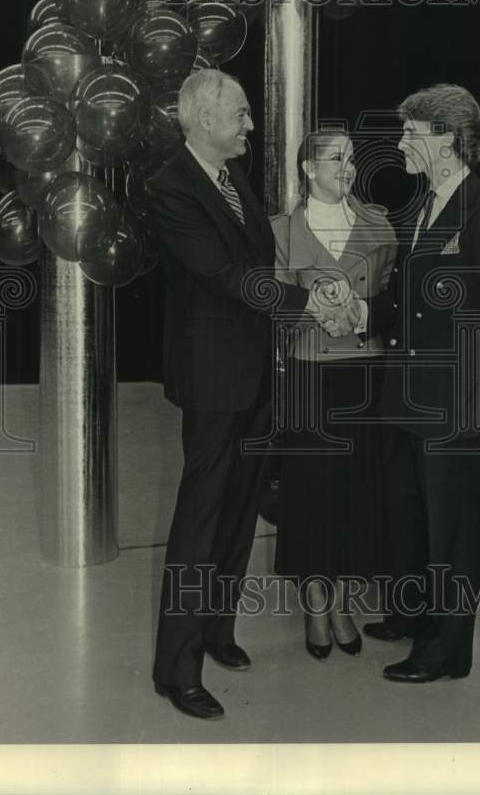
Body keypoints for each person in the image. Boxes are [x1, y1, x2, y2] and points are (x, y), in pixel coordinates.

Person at [147, 70, 354, 720]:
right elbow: (223, 274)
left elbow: (261, 261)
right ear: (203, 119)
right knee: (200, 517)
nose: (249, 125)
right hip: (213, 379)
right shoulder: (169, 188)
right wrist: (308, 305)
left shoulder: (231, 179)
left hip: (255, 371)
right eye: (238, 115)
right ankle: (175, 668)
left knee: (238, 510)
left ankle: (216, 631)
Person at [363, 83, 480, 682]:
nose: (401, 143)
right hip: (406, 395)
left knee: (452, 527)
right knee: (409, 512)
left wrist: (460, 386)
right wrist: (362, 314)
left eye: (412, 133)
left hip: (448, 401)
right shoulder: (425, 206)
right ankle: (413, 616)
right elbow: (405, 300)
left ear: (448, 140)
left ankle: (448, 649)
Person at [270, 129, 398, 661]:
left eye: (351, 159)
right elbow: (272, 300)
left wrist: (360, 311)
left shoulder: (379, 227)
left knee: (355, 486)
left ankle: (344, 599)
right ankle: (315, 601)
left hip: (363, 373)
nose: (346, 167)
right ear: (307, 169)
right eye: (334, 158)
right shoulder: (281, 231)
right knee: (311, 490)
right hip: (309, 374)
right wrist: (313, 308)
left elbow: (391, 293)